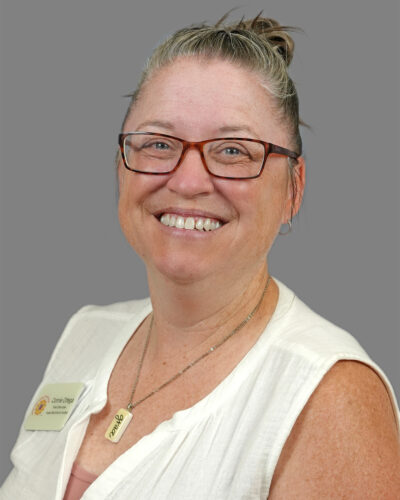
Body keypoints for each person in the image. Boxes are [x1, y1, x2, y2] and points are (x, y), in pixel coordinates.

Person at [1, 13, 400, 500]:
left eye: (233, 150)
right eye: (159, 143)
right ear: (121, 167)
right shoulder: (85, 334)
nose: (188, 181)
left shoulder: (328, 399)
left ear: (294, 190)